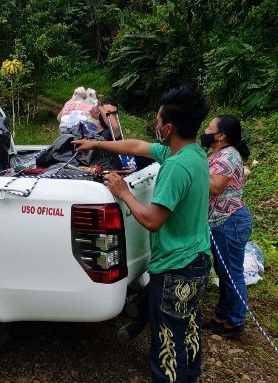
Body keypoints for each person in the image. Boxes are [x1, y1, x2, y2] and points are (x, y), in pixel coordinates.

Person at [74, 85, 212, 383]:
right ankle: (191, 375)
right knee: (188, 327)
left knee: (166, 340)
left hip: (177, 268)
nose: (156, 125)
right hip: (198, 261)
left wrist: (123, 193)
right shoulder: (193, 153)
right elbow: (137, 146)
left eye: (159, 121)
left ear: (170, 127)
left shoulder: (175, 167)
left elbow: (152, 220)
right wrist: (94, 144)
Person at [201, 114, 253, 337]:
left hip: (230, 221)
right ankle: (221, 316)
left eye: (210, 128)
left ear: (221, 135)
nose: (205, 130)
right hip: (222, 221)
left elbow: (214, 187)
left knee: (232, 273)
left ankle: (235, 321)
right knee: (224, 273)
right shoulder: (219, 154)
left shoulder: (229, 157)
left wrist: (191, 167)